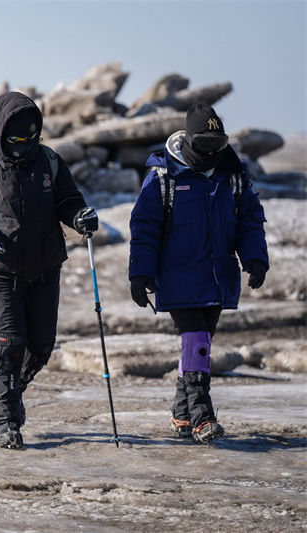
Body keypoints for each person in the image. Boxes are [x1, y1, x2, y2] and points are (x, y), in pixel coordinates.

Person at [0, 91, 98, 450]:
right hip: (1, 269)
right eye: (16, 139)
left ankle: (14, 388)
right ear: (0, 134)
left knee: (42, 345)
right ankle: (7, 420)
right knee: (10, 341)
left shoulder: (50, 162)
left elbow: (68, 201)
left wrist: (79, 217)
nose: (24, 145)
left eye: (31, 137)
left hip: (45, 266)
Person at [128, 103, 269, 444]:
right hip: (177, 276)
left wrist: (255, 257)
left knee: (199, 345)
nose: (211, 152)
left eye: (218, 145)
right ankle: (203, 417)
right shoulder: (164, 176)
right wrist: (140, 273)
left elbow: (250, 219)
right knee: (197, 341)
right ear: (189, 141)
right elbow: (145, 226)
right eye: (204, 144)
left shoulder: (233, 175)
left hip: (218, 275)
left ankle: (181, 414)